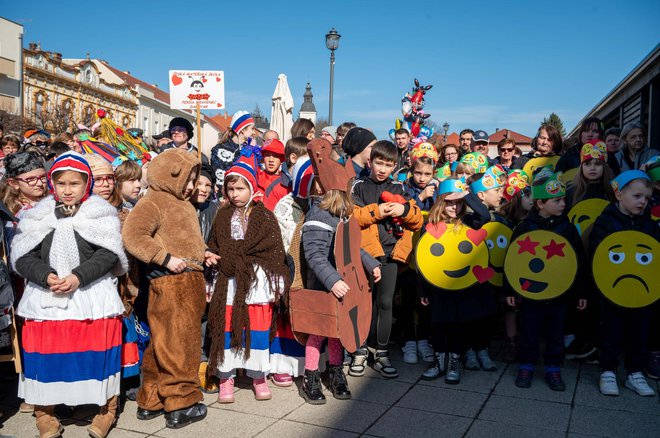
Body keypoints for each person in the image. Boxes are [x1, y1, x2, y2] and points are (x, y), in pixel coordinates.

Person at [11, 151, 128, 438]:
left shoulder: (101, 212)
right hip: (46, 296)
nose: (67, 190)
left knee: (97, 353)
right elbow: (23, 255)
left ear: (86, 183)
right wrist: (45, 275)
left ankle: (106, 409)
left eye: (74, 184)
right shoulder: (37, 214)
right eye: (61, 183)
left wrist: (78, 276)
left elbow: (107, 254)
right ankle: (45, 412)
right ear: (53, 184)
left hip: (91, 295)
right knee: (47, 356)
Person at [122, 148, 211, 429]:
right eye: (188, 179)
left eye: (194, 179)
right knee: (180, 344)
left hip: (187, 276)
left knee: (162, 343)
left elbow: (181, 237)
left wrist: (204, 253)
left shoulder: (179, 202)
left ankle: (151, 400)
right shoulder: (155, 201)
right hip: (174, 280)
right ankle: (181, 402)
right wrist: (165, 258)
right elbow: (133, 236)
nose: (191, 186)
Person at [205, 152, 288, 404]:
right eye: (230, 188)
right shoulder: (221, 216)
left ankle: (258, 376)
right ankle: (226, 377)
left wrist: (278, 284)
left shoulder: (264, 217)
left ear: (251, 187)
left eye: (240, 188)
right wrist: (210, 261)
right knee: (227, 328)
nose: (234, 194)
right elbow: (215, 246)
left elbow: (275, 254)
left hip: (257, 284)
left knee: (258, 330)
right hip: (228, 284)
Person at [300, 179, 381, 404]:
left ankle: (335, 372)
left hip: (344, 285)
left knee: (339, 331)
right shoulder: (318, 214)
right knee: (318, 332)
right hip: (323, 285)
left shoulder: (342, 214)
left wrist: (371, 263)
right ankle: (311, 377)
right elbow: (314, 254)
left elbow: (352, 247)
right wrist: (333, 280)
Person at [507, 168, 587, 392]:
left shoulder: (568, 229)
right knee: (529, 330)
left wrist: (581, 292)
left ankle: (553, 367)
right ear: (540, 203)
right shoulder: (524, 228)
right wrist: (511, 290)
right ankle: (527, 365)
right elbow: (512, 262)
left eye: (563, 200)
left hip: (560, 294)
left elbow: (578, 261)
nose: (563, 204)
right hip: (530, 294)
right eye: (557, 200)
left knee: (556, 331)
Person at [350, 140, 424, 378]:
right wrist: (377, 212)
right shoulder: (358, 186)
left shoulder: (400, 188)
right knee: (364, 303)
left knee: (385, 304)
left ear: (395, 165)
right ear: (370, 161)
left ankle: (381, 352)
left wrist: (404, 211)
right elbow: (352, 216)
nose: (382, 169)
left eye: (388, 164)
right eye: (378, 163)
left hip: (392, 256)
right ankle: (360, 350)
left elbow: (417, 220)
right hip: (365, 255)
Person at [417, 178, 493, 383]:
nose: (454, 206)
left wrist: (466, 194)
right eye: (450, 202)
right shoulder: (432, 226)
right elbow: (424, 261)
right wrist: (423, 290)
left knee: (458, 324)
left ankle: (453, 363)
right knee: (439, 324)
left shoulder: (468, 222)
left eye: (458, 203)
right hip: (438, 286)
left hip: (462, 286)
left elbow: (484, 215)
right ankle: (439, 360)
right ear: (441, 202)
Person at [590, 170, 658, 397]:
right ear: (619, 195)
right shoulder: (605, 221)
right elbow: (597, 254)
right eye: (637, 196)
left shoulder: (649, 225)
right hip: (612, 290)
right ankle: (607, 370)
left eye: (647, 198)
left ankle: (634, 372)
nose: (643, 202)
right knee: (611, 330)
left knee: (639, 332)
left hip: (641, 292)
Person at [400, 151, 437, 364]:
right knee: (406, 299)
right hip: (407, 253)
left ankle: (423, 340)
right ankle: (409, 342)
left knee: (424, 301)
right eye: (418, 173)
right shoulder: (405, 189)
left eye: (427, 174)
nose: (422, 178)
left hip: (428, 254)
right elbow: (403, 210)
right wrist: (420, 198)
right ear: (411, 172)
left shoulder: (437, 190)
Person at [210, 111, 255, 191]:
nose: (254, 132)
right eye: (252, 128)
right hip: (224, 195)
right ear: (242, 130)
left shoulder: (250, 149)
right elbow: (221, 175)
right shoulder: (219, 149)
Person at [1, 151, 47, 217]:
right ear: (14, 183)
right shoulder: (8, 212)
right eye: (30, 179)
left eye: (43, 177)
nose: (40, 183)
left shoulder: (52, 199)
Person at [258, 139, 288, 211]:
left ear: (281, 159)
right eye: (267, 155)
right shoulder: (256, 177)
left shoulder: (287, 182)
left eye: (275, 156)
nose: (271, 160)